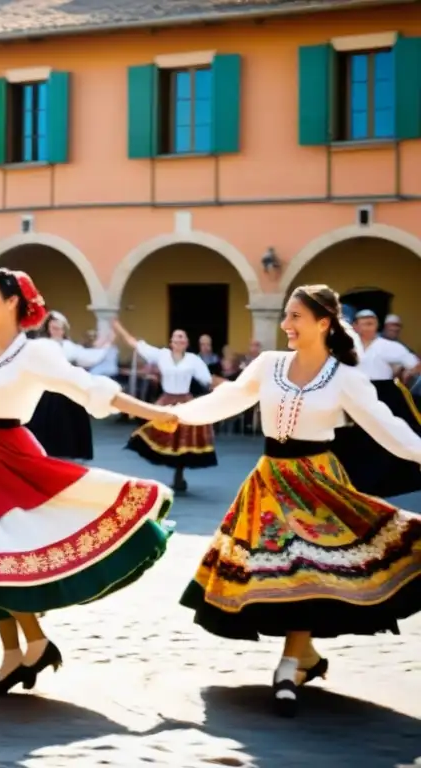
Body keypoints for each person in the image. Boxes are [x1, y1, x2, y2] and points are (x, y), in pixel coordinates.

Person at [0, 269, 177, 695]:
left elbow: (90, 388)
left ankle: (34, 645)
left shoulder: (35, 354)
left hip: (12, 459)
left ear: (12, 303)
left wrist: (154, 413)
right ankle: (18, 652)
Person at [168, 285, 421, 717]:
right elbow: (226, 399)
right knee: (279, 571)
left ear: (323, 322)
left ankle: (290, 664)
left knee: (307, 567)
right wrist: (173, 414)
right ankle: (301, 658)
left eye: (295, 317)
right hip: (269, 480)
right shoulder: (269, 365)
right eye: (285, 315)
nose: (285, 325)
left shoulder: (345, 377)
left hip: (318, 481)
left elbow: (389, 428)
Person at [113, 320, 216, 492]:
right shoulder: (161, 355)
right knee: (156, 432)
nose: (179, 339)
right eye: (176, 337)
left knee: (184, 437)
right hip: (166, 400)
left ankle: (179, 474)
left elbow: (207, 379)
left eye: (182, 337)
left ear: (186, 343)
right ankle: (165, 465)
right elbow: (137, 345)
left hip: (184, 401)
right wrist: (119, 328)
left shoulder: (193, 360)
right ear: (171, 342)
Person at [332, 309, 421, 498]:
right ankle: (345, 480)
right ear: (355, 326)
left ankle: (382, 481)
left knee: (382, 436)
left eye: (372, 323)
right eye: (365, 323)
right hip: (353, 392)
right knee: (348, 437)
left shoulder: (389, 346)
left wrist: (406, 373)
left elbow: (414, 363)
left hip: (382, 393)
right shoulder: (346, 346)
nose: (369, 326)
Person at [26, 311, 112, 460]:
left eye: (60, 328)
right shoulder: (40, 345)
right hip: (45, 392)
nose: (57, 331)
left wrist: (106, 346)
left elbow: (88, 358)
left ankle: (65, 454)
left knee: (68, 426)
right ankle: (42, 453)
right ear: (47, 328)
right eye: (54, 327)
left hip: (67, 392)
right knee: (42, 425)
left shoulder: (69, 346)